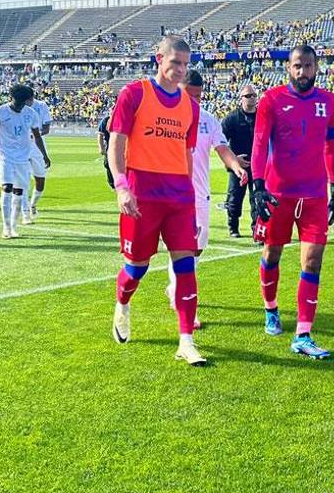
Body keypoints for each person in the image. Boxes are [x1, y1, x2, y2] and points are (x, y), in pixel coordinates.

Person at [107, 36, 206, 366]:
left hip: (179, 196)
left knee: (186, 267)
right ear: (158, 59)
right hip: (141, 195)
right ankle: (122, 305)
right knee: (137, 268)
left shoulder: (191, 107)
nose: (180, 70)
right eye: (174, 62)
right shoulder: (134, 94)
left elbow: (187, 155)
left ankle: (186, 341)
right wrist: (122, 186)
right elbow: (116, 145)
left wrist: (192, 199)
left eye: (185, 64)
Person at [250, 43, 334, 359]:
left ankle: (303, 333)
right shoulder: (271, 100)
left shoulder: (329, 102)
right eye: (297, 66)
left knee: (313, 260)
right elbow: (260, 143)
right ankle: (271, 308)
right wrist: (258, 184)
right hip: (278, 194)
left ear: (317, 67)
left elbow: (330, 146)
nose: (302, 72)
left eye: (308, 66)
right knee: (272, 254)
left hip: (315, 194)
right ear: (288, 68)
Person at [166, 70, 249, 328]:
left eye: (199, 96)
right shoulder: (166, 118)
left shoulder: (208, 120)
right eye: (190, 95)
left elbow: (222, 148)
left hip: (200, 194)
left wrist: (235, 165)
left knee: (198, 247)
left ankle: (174, 288)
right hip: (174, 193)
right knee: (182, 249)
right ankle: (183, 301)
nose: (195, 100)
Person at [0, 84, 49, 240]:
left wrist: (44, 155)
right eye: (19, 101)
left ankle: (13, 227)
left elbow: (37, 135)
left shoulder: (31, 113)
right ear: (13, 98)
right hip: (5, 156)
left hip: (23, 157)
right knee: (7, 188)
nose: (21, 105)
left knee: (18, 192)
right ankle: (6, 227)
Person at [221, 84, 258, 239]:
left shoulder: (262, 116)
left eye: (254, 95)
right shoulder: (232, 119)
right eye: (248, 96)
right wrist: (233, 160)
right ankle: (233, 227)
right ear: (241, 98)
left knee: (257, 198)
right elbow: (219, 142)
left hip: (258, 166)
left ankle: (257, 230)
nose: (252, 98)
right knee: (234, 198)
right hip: (238, 166)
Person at [21, 89, 53, 223]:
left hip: (38, 146)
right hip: (21, 147)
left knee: (40, 181)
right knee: (23, 181)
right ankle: (25, 213)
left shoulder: (41, 106)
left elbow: (46, 127)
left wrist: (36, 135)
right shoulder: (18, 107)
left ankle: (32, 204)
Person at [96, 106, 115, 189]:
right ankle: (112, 184)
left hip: (122, 147)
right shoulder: (105, 121)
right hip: (109, 148)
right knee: (107, 164)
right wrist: (101, 147)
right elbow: (100, 134)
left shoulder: (123, 119)